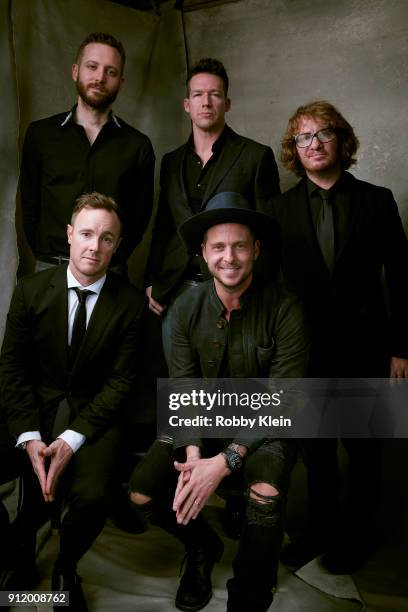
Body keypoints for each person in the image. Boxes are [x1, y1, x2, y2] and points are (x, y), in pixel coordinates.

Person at [129, 192, 309, 612]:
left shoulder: (287, 309)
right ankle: (202, 547)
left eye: (240, 245)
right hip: (200, 419)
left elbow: (286, 399)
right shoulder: (182, 309)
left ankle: (250, 586)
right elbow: (183, 388)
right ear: (203, 254)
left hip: (266, 427)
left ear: (256, 250)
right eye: (218, 247)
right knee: (141, 495)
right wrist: (193, 456)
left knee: (264, 494)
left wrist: (225, 460)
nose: (230, 257)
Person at [273, 100, 408, 573]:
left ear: (341, 139)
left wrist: (401, 348)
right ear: (294, 148)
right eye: (303, 137)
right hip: (305, 351)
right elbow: (272, 289)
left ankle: (358, 536)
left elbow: (402, 276)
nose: (313, 143)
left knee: (365, 449)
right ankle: (320, 529)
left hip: (366, 347)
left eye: (323, 133)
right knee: (317, 450)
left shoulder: (377, 200)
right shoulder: (279, 209)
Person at [0, 192, 147, 610]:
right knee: (17, 486)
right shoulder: (30, 291)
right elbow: (12, 369)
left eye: (106, 238)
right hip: (34, 408)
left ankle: (66, 567)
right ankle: (15, 556)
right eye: (85, 234)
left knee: (94, 495)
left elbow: (120, 383)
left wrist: (71, 439)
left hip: (93, 415)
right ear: (69, 235)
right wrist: (28, 436)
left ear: (117, 245)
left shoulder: (131, 305)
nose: (94, 247)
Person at [144, 57, 281, 359]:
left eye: (215, 94)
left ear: (227, 103)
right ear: (186, 105)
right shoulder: (171, 161)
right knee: (183, 388)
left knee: (232, 388)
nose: (206, 102)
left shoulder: (255, 157)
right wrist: (152, 281)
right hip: (175, 292)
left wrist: (253, 296)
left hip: (233, 292)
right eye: (198, 95)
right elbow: (163, 228)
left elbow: (270, 234)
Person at [20, 32, 155, 275]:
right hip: (50, 268)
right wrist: (46, 255)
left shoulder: (138, 146)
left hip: (110, 273)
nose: (100, 78)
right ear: (75, 71)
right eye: (92, 67)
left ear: (121, 82)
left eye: (111, 72)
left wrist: (113, 258)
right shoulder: (40, 135)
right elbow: (29, 204)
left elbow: (138, 219)